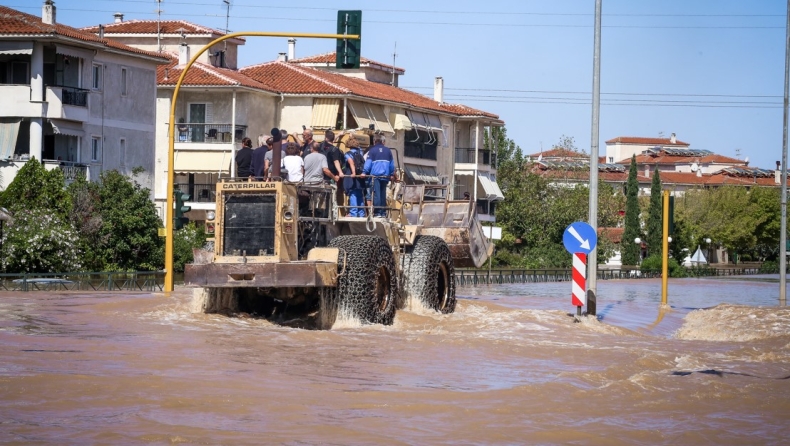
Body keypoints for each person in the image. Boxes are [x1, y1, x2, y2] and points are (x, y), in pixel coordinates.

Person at [362, 134, 395, 217]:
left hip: (375, 177)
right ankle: (383, 212)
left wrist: (364, 172)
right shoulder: (388, 151)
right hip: (385, 176)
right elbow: (391, 164)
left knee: (376, 194)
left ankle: (377, 213)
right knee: (383, 194)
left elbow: (368, 163)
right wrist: (391, 174)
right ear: (383, 142)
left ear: (374, 141)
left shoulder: (372, 151)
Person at [343, 136, 366, 217]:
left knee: (353, 194)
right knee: (359, 194)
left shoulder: (348, 154)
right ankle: (361, 213)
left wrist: (353, 173)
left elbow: (351, 162)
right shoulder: (360, 152)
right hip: (360, 176)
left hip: (352, 177)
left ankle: (353, 213)